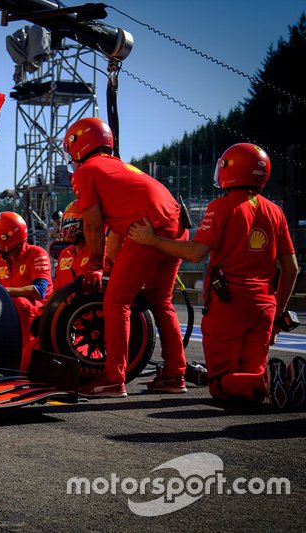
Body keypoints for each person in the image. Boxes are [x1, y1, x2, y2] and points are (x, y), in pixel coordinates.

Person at [128, 143, 302, 410]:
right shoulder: (275, 212)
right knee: (247, 385)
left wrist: (152, 240)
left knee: (220, 385)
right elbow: (291, 268)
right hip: (264, 308)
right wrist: (278, 314)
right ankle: (284, 378)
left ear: (231, 170)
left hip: (228, 306)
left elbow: (197, 253)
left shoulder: (221, 207)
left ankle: (270, 380)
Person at [64, 116, 187, 398]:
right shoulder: (121, 166)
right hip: (175, 226)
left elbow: (94, 224)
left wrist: (95, 262)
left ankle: (112, 379)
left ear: (78, 145)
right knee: (161, 300)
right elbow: (119, 226)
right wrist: (109, 263)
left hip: (149, 229)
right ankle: (175, 375)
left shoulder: (86, 172)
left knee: (117, 300)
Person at [0, 211, 53, 372]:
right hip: (13, 309)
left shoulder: (37, 253)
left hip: (41, 311)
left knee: (20, 305)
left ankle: (23, 364)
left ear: (6, 239)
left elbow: (40, 291)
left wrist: (5, 291)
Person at [53, 200, 90, 289]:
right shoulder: (64, 254)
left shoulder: (97, 252)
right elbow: (57, 289)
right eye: (67, 228)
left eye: (73, 228)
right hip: (67, 300)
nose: (69, 233)